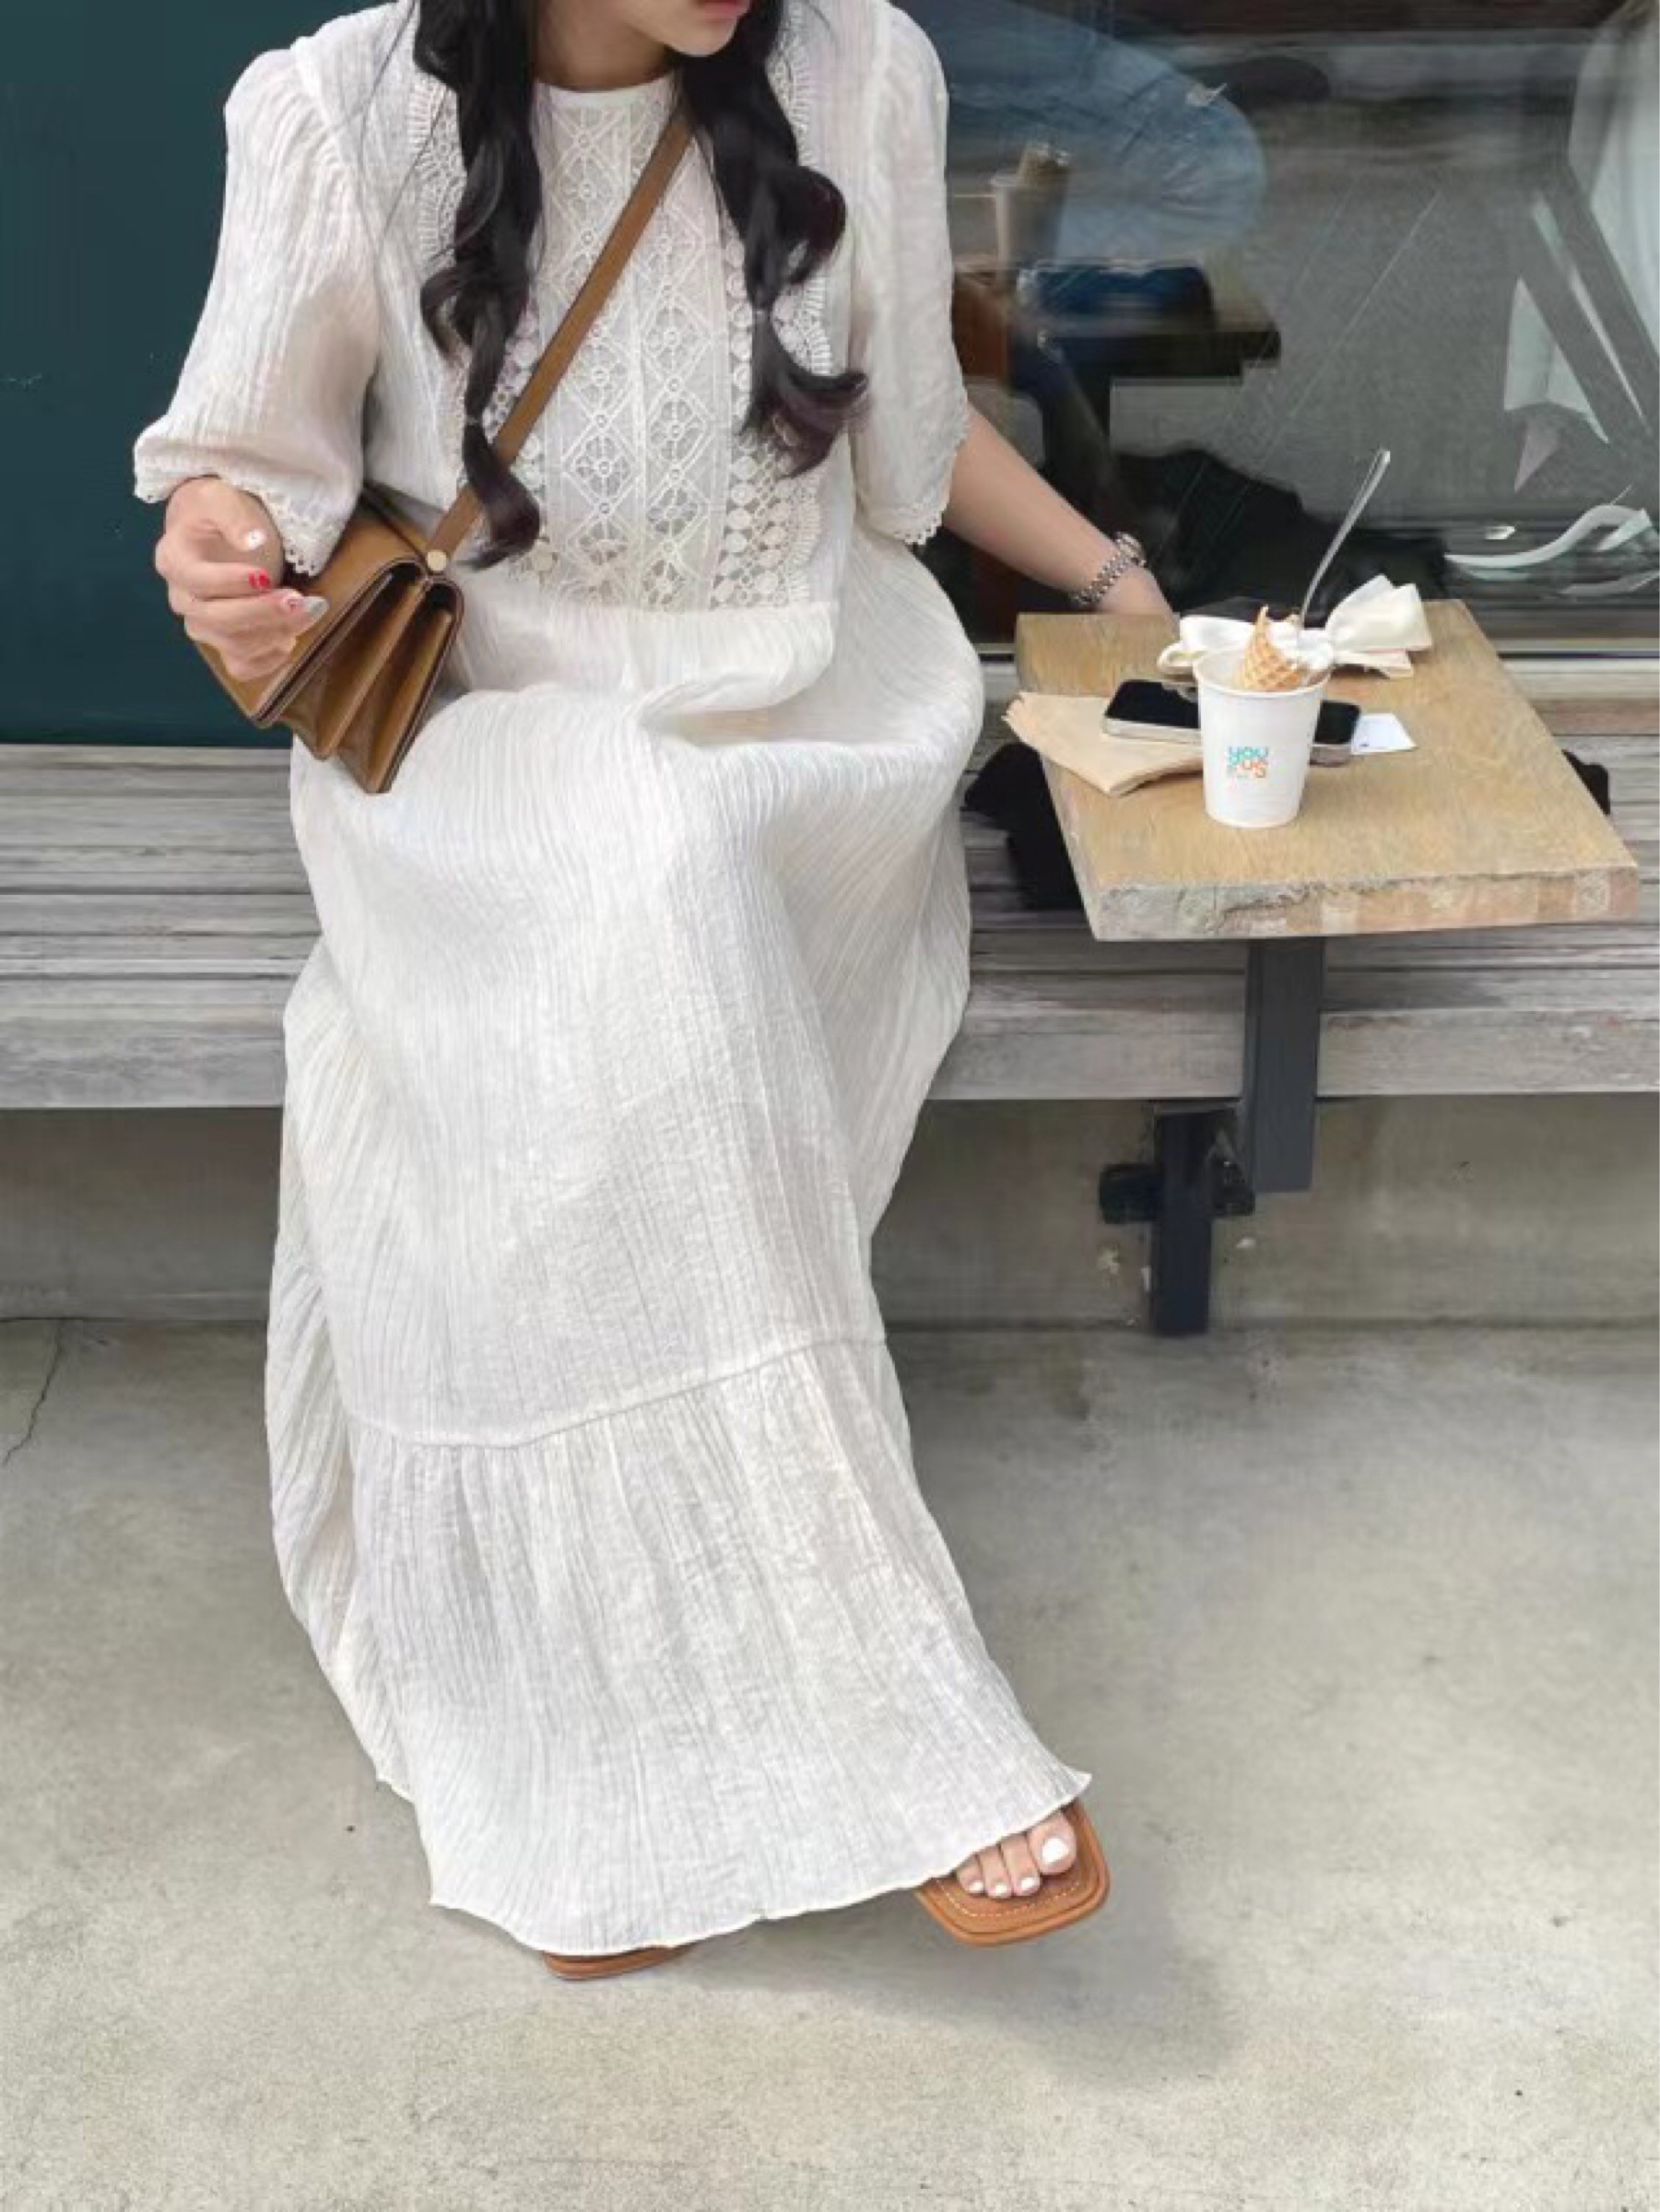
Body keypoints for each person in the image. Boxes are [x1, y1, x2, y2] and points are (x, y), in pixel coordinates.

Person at [133, 0, 1171, 1976]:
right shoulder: (338, 107)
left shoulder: (862, 66)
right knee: (637, 898)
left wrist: (1122, 593)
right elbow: (239, 481)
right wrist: (223, 561)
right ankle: (679, 1737)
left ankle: (710, 1730)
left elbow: (909, 467)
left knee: (660, 892)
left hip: (807, 720)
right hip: (480, 731)